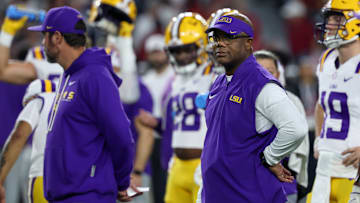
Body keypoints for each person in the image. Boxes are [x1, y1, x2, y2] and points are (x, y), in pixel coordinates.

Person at [27, 6, 136, 202]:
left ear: (58, 38)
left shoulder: (95, 75)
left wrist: (122, 181)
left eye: (45, 36)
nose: (42, 43)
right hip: (66, 194)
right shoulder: (70, 74)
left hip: (87, 195)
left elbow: (120, 134)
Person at [200, 12, 307, 203]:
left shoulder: (261, 83)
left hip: (251, 196)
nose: (220, 43)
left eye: (229, 37)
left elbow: (296, 128)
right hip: (217, 194)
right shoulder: (218, 82)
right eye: (216, 37)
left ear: (249, 43)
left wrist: (270, 158)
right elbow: (214, 146)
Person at [307, 0, 360, 202]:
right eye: (328, 19)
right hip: (326, 168)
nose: (329, 25)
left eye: (337, 19)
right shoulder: (327, 60)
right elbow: (321, 105)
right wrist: (319, 140)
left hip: (355, 172)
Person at [161, 11, 215, 203]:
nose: (182, 56)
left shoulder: (213, 73)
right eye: (177, 51)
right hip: (177, 164)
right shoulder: (176, 80)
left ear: (202, 46)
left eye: (187, 49)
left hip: (203, 163)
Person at [254, 50, 310, 203]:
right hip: (246, 183)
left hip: (282, 183)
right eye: (259, 71)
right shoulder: (239, 99)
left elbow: (298, 144)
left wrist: (269, 158)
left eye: (270, 71)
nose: (265, 76)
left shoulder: (290, 100)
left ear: (279, 74)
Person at [0, 79, 56, 203]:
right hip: (78, 180)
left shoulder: (40, 99)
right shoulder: (76, 101)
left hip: (45, 176)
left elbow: (19, 135)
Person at [141, 33, 174, 203]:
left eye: (159, 51)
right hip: (148, 136)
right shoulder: (145, 79)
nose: (157, 55)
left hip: (167, 136)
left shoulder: (175, 77)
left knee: (165, 183)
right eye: (153, 52)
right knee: (150, 183)